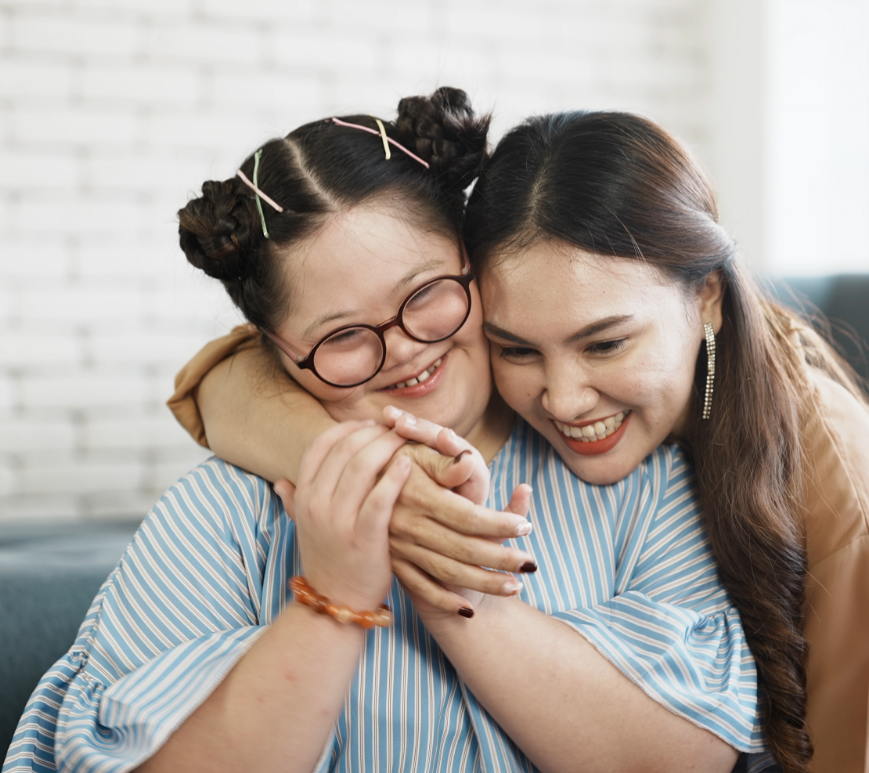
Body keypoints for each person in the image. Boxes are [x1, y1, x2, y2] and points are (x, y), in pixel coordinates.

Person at [2, 91, 764, 773]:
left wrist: (452, 580)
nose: (402, 349)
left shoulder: (641, 481)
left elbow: (679, 756)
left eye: (427, 294)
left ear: (475, 265)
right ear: (276, 355)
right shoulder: (225, 514)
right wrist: (330, 600)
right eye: (342, 336)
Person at [165, 110, 869, 773]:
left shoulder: (832, 481)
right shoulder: (252, 483)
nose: (561, 399)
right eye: (517, 348)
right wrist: (389, 491)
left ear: (707, 296)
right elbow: (229, 375)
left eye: (605, 341)